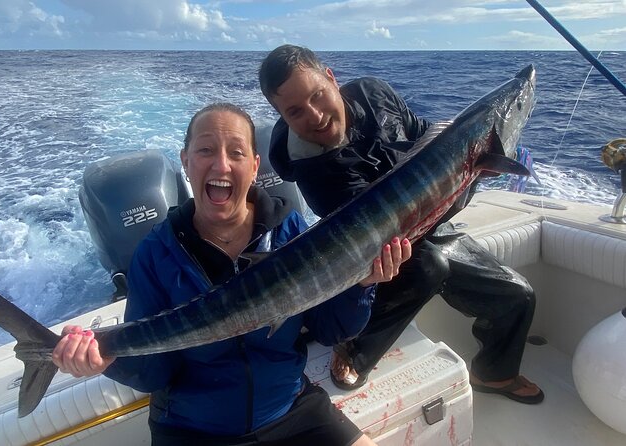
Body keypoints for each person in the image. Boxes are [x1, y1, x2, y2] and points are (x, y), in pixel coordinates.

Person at [52, 102, 412, 446]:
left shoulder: (290, 233)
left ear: (255, 167)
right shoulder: (156, 253)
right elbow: (154, 373)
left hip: (291, 410)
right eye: (206, 150)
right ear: (186, 162)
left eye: (236, 153)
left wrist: (362, 284)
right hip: (192, 431)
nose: (221, 165)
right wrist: (107, 359)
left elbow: (329, 328)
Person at [258, 44, 544, 404]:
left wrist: (460, 158)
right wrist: (470, 172)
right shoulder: (315, 171)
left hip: (432, 222)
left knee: (518, 296)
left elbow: (423, 133)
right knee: (427, 266)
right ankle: (354, 348)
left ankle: (495, 373)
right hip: (376, 256)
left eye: (317, 95)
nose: (315, 116)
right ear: (282, 116)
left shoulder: (373, 92)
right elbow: (394, 234)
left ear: (331, 78)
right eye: (296, 111)